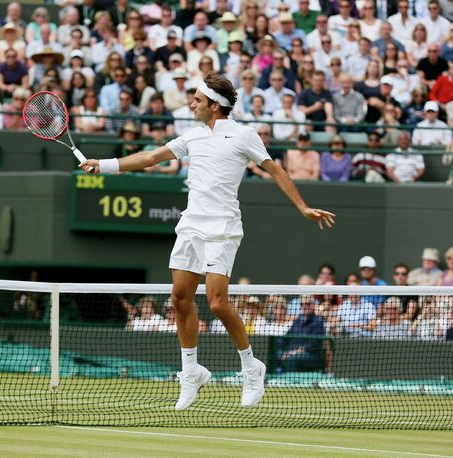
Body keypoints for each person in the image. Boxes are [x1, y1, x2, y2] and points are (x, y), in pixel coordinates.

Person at [79, 73, 336, 410]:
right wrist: (104, 165)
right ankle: (192, 371)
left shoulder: (244, 134)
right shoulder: (192, 136)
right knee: (180, 298)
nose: (192, 104)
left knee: (216, 302)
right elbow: (149, 158)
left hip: (223, 228)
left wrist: (302, 207)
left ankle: (251, 367)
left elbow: (275, 170)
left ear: (215, 105)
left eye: (197, 100)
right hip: (191, 226)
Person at [279, 295, 332, 373]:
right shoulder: (297, 320)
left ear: (313, 305)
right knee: (276, 353)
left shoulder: (318, 322)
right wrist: (276, 346)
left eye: (309, 304)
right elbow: (286, 338)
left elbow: (313, 345)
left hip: (311, 355)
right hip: (291, 352)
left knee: (292, 358)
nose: (306, 306)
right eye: (303, 304)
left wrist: (292, 353)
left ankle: (290, 382)